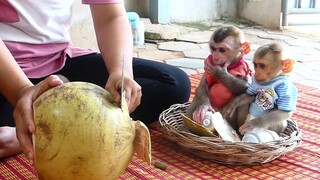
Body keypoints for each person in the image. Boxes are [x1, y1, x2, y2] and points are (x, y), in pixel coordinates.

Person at [0, 0, 191, 164]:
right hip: (7, 73)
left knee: (173, 83)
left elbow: (111, 17)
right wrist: (21, 91)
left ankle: (35, 133)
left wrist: (120, 71)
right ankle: (44, 125)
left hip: (62, 59)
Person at [186, 26, 251, 128]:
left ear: (242, 49)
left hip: (229, 114)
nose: (215, 55)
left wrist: (222, 76)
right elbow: (202, 87)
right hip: (210, 109)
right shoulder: (211, 63)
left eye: (222, 50)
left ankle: (238, 135)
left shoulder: (242, 68)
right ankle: (186, 129)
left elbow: (246, 89)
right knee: (198, 96)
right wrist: (205, 102)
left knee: (245, 104)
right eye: (213, 48)